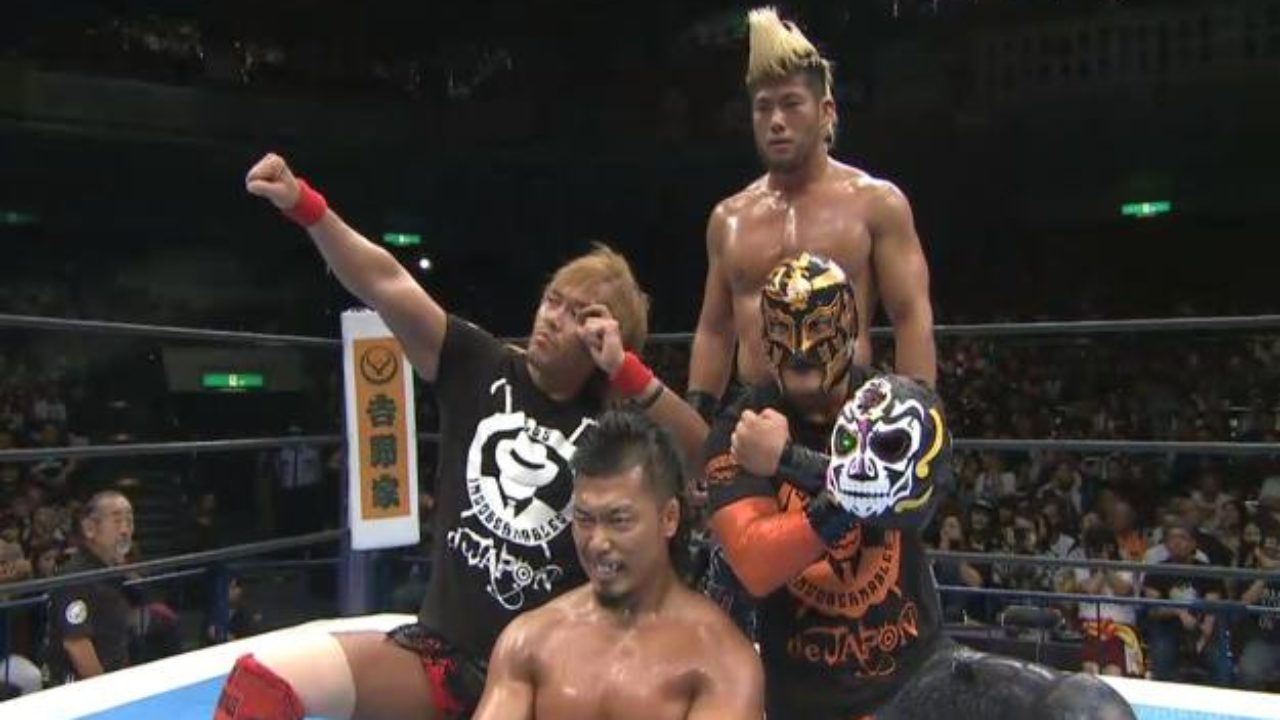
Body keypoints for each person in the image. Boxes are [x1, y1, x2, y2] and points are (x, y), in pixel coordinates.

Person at [213, 154, 708, 720]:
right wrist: (306, 205)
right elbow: (385, 282)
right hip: (443, 658)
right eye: (553, 300)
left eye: (579, 314)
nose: (553, 318)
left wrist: (627, 372)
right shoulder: (480, 365)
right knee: (263, 681)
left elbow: (707, 458)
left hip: (555, 683)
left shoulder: (620, 429)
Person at [706, 252, 1134, 718]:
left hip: (920, 674)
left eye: (816, 326)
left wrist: (791, 460)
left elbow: (918, 505)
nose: (800, 346)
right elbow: (756, 564)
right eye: (783, 327)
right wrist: (860, 482)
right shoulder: (742, 428)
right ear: (765, 334)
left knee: (1090, 709)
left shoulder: (893, 403)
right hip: (810, 700)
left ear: (847, 326)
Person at [687, 6, 936, 425]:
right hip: (757, 416)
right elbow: (714, 331)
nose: (776, 121)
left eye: (791, 105)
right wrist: (697, 423)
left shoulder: (876, 203)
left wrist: (918, 418)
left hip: (847, 413)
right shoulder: (729, 218)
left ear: (826, 112)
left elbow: (911, 317)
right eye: (763, 108)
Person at [473, 411, 763, 719]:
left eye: (619, 520)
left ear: (669, 518)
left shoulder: (720, 659)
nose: (597, 542)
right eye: (584, 519)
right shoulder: (529, 642)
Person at [43, 490, 135, 685]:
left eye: (129, 521)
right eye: (117, 521)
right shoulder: (75, 576)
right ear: (90, 528)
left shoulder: (111, 570)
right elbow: (77, 645)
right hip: (77, 689)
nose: (125, 530)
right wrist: (105, 692)